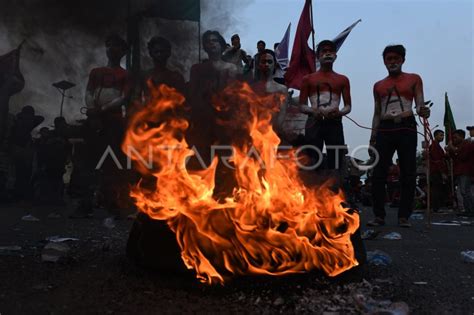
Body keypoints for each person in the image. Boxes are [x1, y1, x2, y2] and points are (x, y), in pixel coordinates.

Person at [367, 45, 430, 227]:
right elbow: (377, 113)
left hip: (407, 126)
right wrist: (372, 138)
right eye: (389, 59)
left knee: (408, 172)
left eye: (396, 58)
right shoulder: (378, 85)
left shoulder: (414, 79)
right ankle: (379, 215)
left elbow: (419, 104)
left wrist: (423, 110)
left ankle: (404, 216)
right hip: (385, 129)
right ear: (384, 61)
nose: (392, 62)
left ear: (402, 60)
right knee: (378, 172)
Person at [71, 34, 131, 218]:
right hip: (94, 120)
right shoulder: (96, 71)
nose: (112, 49)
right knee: (88, 160)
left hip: (114, 121)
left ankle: (113, 204)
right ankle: (85, 203)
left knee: (112, 163)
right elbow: (89, 91)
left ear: (123, 52)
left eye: (117, 47)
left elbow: (123, 97)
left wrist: (102, 109)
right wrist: (91, 109)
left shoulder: (126, 75)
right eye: (109, 45)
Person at [298, 40, 352, 174]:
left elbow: (348, 106)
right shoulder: (308, 79)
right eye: (324, 51)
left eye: (330, 51)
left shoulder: (342, 79)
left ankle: (336, 190)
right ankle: (312, 190)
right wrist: (313, 110)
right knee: (312, 158)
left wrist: (339, 112)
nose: (327, 53)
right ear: (318, 56)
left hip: (334, 122)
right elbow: (302, 106)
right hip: (314, 122)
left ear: (335, 55)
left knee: (336, 160)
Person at [140, 36, 185, 101]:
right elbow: (137, 99)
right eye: (156, 52)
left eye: (162, 51)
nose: (159, 54)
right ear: (151, 53)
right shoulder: (145, 76)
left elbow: (181, 100)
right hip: (149, 110)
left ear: (168, 53)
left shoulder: (176, 77)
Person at [446, 129, 474, 216]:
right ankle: (468, 210)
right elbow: (455, 158)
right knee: (464, 191)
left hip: (466, 171)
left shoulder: (467, 144)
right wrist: (450, 151)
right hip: (460, 171)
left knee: (465, 191)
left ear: (462, 137)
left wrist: (453, 148)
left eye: (455, 137)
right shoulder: (461, 145)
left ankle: (470, 210)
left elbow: (462, 157)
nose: (454, 139)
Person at [429, 130, 448, 212]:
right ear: (435, 136)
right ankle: (436, 208)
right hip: (436, 170)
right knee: (436, 189)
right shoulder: (434, 146)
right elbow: (437, 160)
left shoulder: (437, 145)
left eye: (443, 135)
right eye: (440, 135)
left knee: (437, 189)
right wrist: (442, 172)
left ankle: (436, 207)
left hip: (437, 169)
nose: (442, 137)